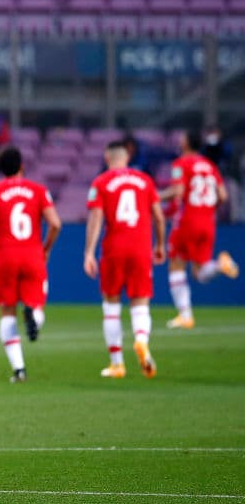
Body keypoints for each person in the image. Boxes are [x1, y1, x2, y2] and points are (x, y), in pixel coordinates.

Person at [0, 147, 62, 383]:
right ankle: (33, 318)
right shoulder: (38, 191)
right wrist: (46, 248)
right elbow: (56, 224)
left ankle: (19, 370)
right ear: (22, 166)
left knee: (7, 312)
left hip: (5, 257)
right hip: (32, 255)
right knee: (36, 305)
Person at [84, 141, 165, 380]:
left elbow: (96, 219)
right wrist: (159, 245)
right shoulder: (145, 181)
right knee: (140, 305)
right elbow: (159, 217)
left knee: (111, 308)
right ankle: (141, 341)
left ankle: (117, 364)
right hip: (141, 249)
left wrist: (89, 252)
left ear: (108, 159)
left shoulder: (101, 182)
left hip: (114, 250)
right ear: (127, 157)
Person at [162, 131, 238, 330]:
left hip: (188, 220)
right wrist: (208, 209)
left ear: (186, 144)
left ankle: (185, 315)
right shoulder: (210, 166)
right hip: (208, 221)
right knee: (199, 271)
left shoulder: (181, 164)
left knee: (176, 265)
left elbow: (177, 192)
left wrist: (155, 197)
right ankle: (220, 266)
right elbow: (223, 195)